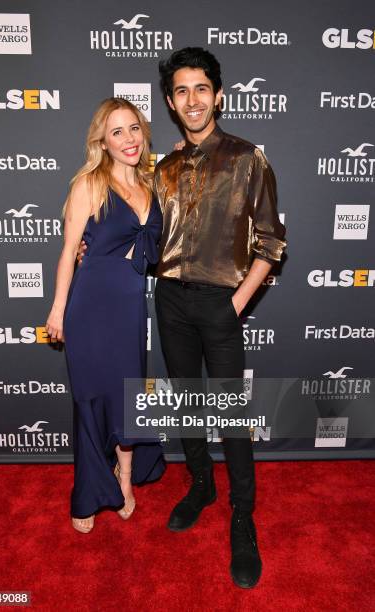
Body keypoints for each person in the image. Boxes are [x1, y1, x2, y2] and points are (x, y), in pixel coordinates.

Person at [153, 47, 287, 588]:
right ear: (170, 102)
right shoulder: (161, 168)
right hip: (169, 300)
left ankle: (242, 518)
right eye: (182, 90)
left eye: (201, 88)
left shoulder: (247, 159)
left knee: (231, 416)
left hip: (221, 303)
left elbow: (272, 241)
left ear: (219, 96)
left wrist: (236, 302)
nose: (192, 99)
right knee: (186, 401)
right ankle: (202, 484)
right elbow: (146, 237)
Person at [45, 97, 165, 534]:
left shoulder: (154, 186)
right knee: (91, 400)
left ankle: (126, 479)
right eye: (117, 132)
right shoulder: (90, 185)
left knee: (129, 397)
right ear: (103, 141)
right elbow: (67, 253)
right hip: (90, 306)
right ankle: (90, 491)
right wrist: (58, 309)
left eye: (134, 128)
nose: (128, 139)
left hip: (130, 306)